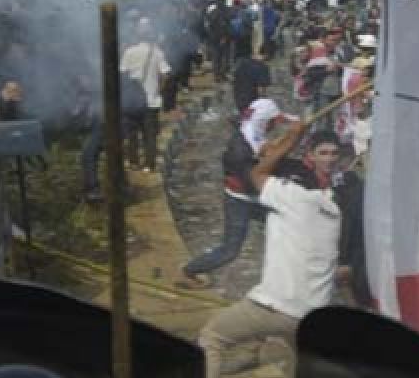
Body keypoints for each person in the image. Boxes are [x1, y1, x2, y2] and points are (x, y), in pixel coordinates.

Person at [198, 125, 342, 378]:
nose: (329, 158)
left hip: (275, 308)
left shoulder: (291, 197)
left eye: (332, 153)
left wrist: (288, 140)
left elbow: (256, 174)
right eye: (325, 153)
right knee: (303, 367)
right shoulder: (333, 210)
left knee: (212, 336)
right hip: (311, 315)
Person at [181, 99, 294, 286]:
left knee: (289, 227)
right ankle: (190, 269)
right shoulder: (240, 149)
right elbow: (255, 180)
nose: (275, 126)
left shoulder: (253, 133)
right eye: (273, 122)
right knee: (230, 250)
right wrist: (284, 148)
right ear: (264, 121)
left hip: (253, 197)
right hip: (240, 200)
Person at [119, 18, 170, 172]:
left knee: (132, 134)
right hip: (151, 101)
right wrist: (159, 89)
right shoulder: (158, 52)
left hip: (132, 101)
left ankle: (133, 161)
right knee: (150, 135)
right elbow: (166, 74)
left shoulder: (129, 52)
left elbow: (122, 74)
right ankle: (149, 164)